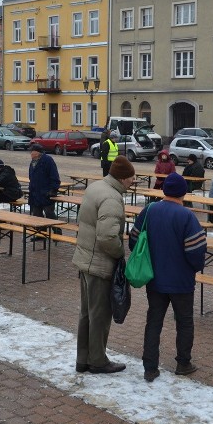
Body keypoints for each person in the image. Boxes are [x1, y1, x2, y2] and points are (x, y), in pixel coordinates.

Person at [130, 173, 206, 382]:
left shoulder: (149, 210)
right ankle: (183, 362)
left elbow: (133, 240)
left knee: (154, 321)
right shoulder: (186, 216)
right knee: (184, 322)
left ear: (164, 191)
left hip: (154, 278)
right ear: (183, 192)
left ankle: (150, 367)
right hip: (181, 281)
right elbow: (196, 250)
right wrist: (195, 267)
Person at [72, 155, 136, 375]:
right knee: (99, 315)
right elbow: (107, 238)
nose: (133, 181)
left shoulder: (97, 187)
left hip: (85, 260)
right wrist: (120, 253)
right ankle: (97, 361)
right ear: (123, 178)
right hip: (99, 264)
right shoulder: (111, 198)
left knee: (86, 313)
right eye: (131, 177)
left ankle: (83, 359)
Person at [28, 143, 61, 231]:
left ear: (38, 152)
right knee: (37, 214)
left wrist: (54, 189)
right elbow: (31, 176)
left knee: (49, 213)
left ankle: (57, 231)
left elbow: (54, 175)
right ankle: (40, 234)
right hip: (35, 192)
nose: (30, 153)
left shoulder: (48, 160)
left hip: (46, 192)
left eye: (32, 152)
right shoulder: (33, 162)